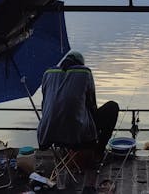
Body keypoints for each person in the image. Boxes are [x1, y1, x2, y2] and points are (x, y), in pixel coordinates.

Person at [37, 50, 119, 193]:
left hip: (48, 134)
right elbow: (92, 105)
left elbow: (45, 106)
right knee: (112, 107)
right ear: (80, 63)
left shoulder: (48, 73)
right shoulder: (85, 73)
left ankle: (67, 155)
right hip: (78, 136)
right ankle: (98, 152)